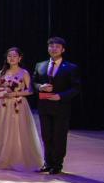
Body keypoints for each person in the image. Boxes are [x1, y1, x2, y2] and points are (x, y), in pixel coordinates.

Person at [0, 47, 46, 172]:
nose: (12, 58)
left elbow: (30, 90)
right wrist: (4, 90)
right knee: (1, 128)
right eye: (9, 56)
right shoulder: (2, 72)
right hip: (2, 104)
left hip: (18, 104)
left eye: (14, 56)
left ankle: (16, 156)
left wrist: (16, 93)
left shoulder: (24, 72)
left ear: (20, 58)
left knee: (16, 129)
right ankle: (0, 154)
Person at [32, 36, 81, 175]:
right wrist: (40, 87)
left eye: (57, 47)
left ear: (63, 50)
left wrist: (60, 96)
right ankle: (48, 163)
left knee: (59, 136)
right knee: (46, 136)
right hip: (44, 106)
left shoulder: (71, 67)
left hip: (61, 107)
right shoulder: (40, 65)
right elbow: (33, 82)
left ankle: (57, 164)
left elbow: (76, 88)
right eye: (51, 46)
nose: (54, 49)